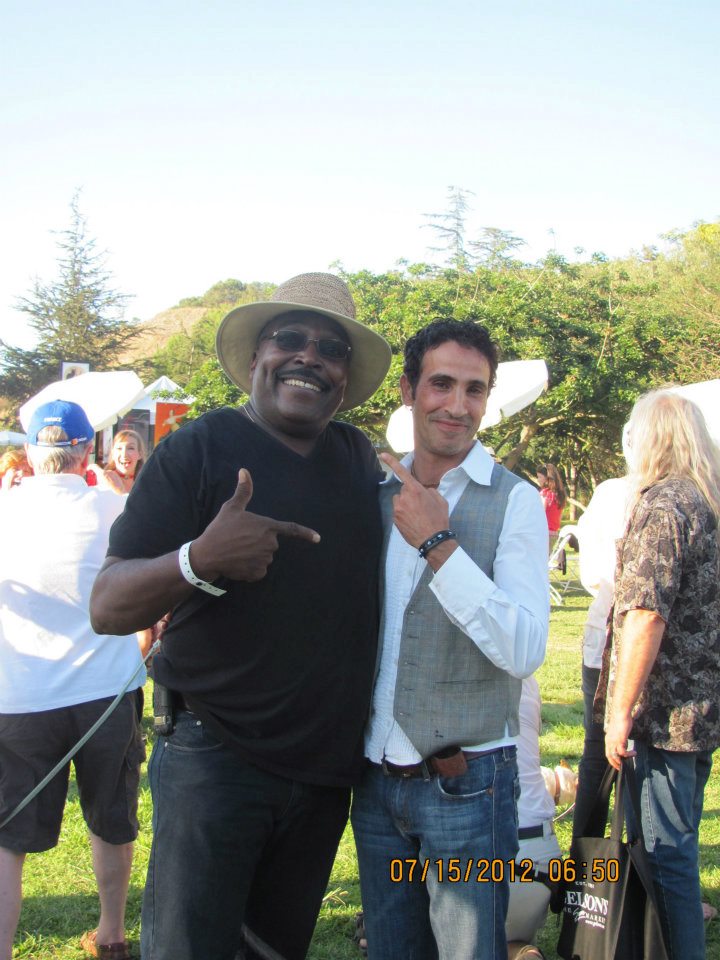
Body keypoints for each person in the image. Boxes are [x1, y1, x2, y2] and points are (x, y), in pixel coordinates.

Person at [89, 272, 392, 960]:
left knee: (272, 951)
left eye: (331, 348)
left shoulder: (358, 461)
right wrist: (199, 559)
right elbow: (106, 605)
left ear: (344, 378)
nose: (309, 356)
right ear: (257, 355)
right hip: (214, 757)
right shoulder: (197, 449)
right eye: (290, 338)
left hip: (323, 773)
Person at [350, 318, 549, 960]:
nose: (458, 406)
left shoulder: (514, 501)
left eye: (474, 389)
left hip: (470, 783)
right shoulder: (371, 492)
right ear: (408, 390)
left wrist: (440, 545)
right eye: (441, 384)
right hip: (376, 779)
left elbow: (525, 649)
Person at [0, 400, 146, 960]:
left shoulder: (5, 509)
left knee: (8, 840)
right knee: (112, 820)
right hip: (106, 695)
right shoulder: (116, 508)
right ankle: (111, 934)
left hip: (21, 696)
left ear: (33, 454)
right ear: (87, 451)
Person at [596, 389, 720, 960]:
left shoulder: (664, 506)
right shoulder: (707, 502)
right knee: (675, 849)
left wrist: (620, 712)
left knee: (665, 857)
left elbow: (645, 614)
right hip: (701, 710)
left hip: (664, 716)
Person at [572, 474, 629, 836]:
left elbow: (591, 573)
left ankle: (585, 854)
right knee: (608, 753)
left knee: (597, 752)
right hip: (613, 636)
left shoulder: (612, 492)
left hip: (608, 632)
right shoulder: (699, 488)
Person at [102, 430, 146, 494]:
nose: (124, 454)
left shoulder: (148, 484)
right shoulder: (103, 482)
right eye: (119, 448)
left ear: (140, 454)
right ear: (113, 453)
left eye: (130, 448)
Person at [537, 463, 566, 548]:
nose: (538, 480)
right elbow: (559, 518)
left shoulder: (544, 494)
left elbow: (540, 514)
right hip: (554, 534)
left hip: (543, 534)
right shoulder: (560, 495)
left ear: (547, 478)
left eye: (539, 477)